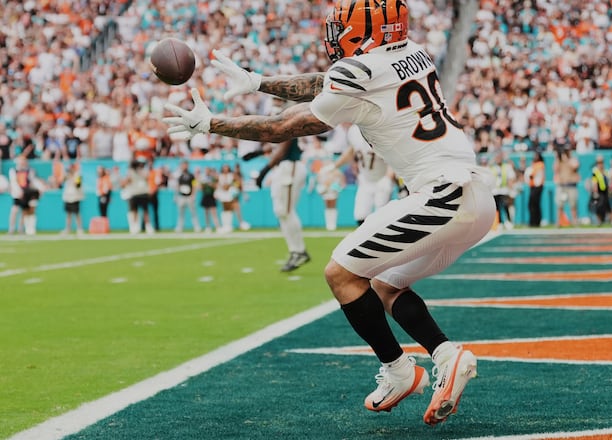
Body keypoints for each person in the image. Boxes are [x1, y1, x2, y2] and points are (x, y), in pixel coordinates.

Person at [163, 0, 495, 425]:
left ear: (364, 32)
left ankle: (398, 370)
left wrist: (213, 125)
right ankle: (447, 357)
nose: (334, 36)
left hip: (443, 196)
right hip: (474, 197)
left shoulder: (359, 71)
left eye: (342, 28)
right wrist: (258, 81)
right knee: (384, 284)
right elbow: (326, 82)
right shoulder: (413, 52)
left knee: (341, 274)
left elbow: (287, 126)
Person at [254, 135, 311, 272]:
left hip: (289, 166)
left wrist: (264, 171)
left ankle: (299, 251)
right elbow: (276, 144)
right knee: (281, 212)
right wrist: (259, 152)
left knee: (287, 211)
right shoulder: (279, 117)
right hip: (284, 168)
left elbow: (282, 148)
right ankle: (296, 251)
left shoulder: (286, 119)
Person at [325, 124, 394, 226]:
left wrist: (388, 177)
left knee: (382, 217)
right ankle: (368, 240)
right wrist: (334, 166)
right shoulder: (353, 131)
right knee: (360, 215)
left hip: (381, 178)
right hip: (365, 179)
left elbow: (392, 156)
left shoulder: (381, 130)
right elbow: (351, 151)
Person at [8, 156, 42, 235]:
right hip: (17, 194)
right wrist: (19, 191)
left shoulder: (29, 171)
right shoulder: (13, 170)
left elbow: (33, 181)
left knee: (24, 211)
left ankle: (21, 228)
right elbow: (14, 182)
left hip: (26, 193)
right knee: (14, 211)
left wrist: (40, 188)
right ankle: (11, 228)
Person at [553, 147, 581, 226]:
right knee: (560, 205)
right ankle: (558, 222)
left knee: (573, 205)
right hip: (562, 185)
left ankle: (575, 221)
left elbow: (575, 166)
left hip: (571, 185)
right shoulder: (559, 160)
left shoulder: (572, 159)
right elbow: (555, 169)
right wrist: (558, 158)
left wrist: (566, 159)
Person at [174, 160, 201, 233]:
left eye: (185, 165)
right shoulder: (179, 175)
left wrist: (193, 195)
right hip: (181, 196)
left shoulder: (191, 175)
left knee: (193, 212)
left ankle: (196, 227)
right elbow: (177, 186)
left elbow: (194, 185)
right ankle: (179, 227)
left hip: (189, 196)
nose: (184, 166)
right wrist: (176, 196)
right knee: (181, 213)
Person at [61, 161, 84, 235]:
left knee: (77, 213)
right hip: (68, 196)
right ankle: (68, 228)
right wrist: (67, 177)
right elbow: (61, 182)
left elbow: (78, 185)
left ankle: (79, 228)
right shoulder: (67, 176)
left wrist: (72, 178)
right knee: (68, 214)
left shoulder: (77, 176)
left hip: (75, 196)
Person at [588, 155, 611, 226]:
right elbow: (594, 182)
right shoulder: (595, 171)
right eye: (599, 162)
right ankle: (599, 221)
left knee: (607, 207)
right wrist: (595, 192)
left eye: (601, 162)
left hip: (605, 191)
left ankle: (610, 221)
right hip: (599, 192)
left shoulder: (605, 170)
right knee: (599, 207)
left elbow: (608, 181)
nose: (601, 164)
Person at [525, 151, 545, 227]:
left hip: (537, 187)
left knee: (534, 204)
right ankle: (533, 221)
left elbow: (536, 176)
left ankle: (535, 221)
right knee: (532, 205)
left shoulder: (540, 165)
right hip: (533, 186)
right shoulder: (534, 164)